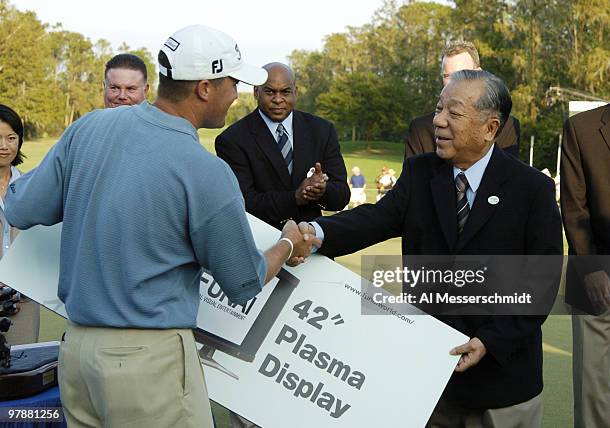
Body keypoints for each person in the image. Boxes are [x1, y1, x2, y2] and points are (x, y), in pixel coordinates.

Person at [5, 25, 314, 428]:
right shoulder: (206, 170)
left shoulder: (88, 128)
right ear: (205, 88)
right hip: (148, 363)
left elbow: (21, 206)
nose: (236, 94)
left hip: (77, 353)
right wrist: (287, 245)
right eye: (233, 82)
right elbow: (243, 282)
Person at [300, 70, 562, 427]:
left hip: (504, 386)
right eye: (439, 109)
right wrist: (313, 232)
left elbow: (541, 284)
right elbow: (375, 219)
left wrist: (489, 340)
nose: (437, 121)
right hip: (431, 381)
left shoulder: (532, 189)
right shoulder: (421, 172)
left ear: (489, 128)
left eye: (453, 113)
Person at [215, 62, 350, 230]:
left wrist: (321, 191)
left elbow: (342, 196)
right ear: (256, 92)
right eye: (270, 92)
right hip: (261, 246)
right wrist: (295, 197)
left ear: (296, 92)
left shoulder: (322, 130)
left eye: (285, 92)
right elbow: (245, 203)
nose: (278, 100)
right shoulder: (232, 140)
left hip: (312, 243)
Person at [560, 57, 610, 428]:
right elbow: (574, 206)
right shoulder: (580, 128)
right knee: (593, 396)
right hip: (596, 277)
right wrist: (591, 268)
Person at [405, 40, 521, 159]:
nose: (452, 82)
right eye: (446, 76)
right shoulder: (421, 130)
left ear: (479, 73)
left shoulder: (506, 127)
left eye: (461, 74)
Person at [0, 104, 39, 346]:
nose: (4, 146)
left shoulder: (33, 186)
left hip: (22, 303)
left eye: (11, 138)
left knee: (22, 375)